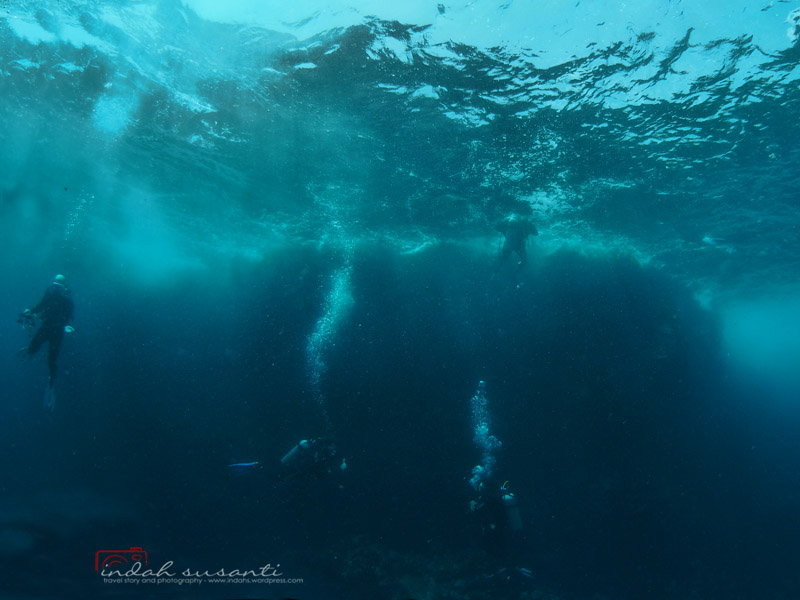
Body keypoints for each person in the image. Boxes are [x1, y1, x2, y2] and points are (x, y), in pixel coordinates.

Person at [21, 274, 74, 389]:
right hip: (56, 328)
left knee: (46, 352)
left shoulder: (54, 293)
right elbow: (68, 313)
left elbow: (41, 305)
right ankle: (51, 376)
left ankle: (51, 376)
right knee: (51, 356)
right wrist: (31, 310)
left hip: (51, 326)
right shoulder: (61, 295)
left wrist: (31, 310)